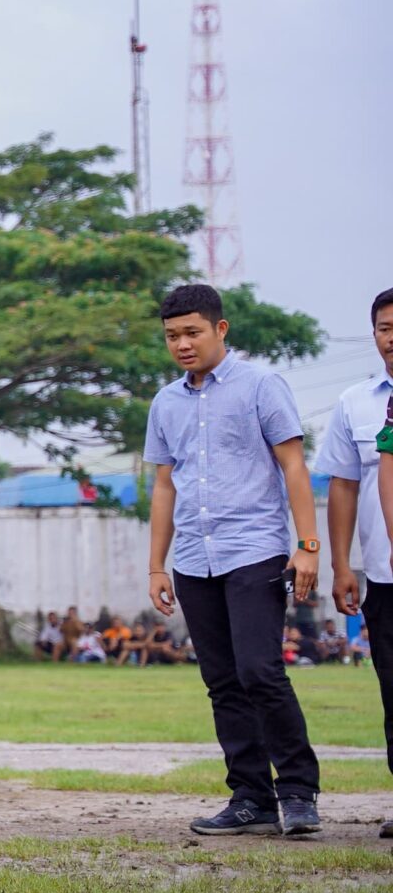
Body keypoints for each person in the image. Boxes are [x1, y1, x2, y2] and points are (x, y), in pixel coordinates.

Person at [144, 283, 324, 838]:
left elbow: (294, 466)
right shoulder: (165, 402)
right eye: (173, 336)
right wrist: (157, 565)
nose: (182, 344)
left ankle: (297, 791)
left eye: (193, 332)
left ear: (221, 330)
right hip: (194, 557)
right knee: (221, 681)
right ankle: (250, 796)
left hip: (254, 548)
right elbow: (164, 485)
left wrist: (307, 545)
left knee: (260, 671)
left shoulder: (261, 385)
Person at [318, 288, 393, 836]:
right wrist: (343, 566)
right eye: (385, 326)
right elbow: (343, 486)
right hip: (385, 575)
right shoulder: (356, 403)